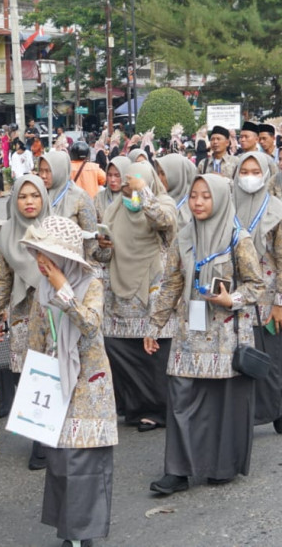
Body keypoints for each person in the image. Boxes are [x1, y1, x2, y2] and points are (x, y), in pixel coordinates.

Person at [146, 174, 265, 495]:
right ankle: (178, 471)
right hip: (189, 331)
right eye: (194, 195)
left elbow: (256, 285)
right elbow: (171, 282)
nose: (198, 202)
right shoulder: (184, 237)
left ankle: (221, 465)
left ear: (221, 199)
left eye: (205, 196)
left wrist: (232, 299)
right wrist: (154, 325)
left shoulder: (238, 239)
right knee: (181, 397)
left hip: (226, 335)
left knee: (222, 403)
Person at [21, 216, 116, 547]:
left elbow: (90, 325)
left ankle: (84, 533)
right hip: (55, 383)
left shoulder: (92, 283)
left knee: (86, 459)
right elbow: (37, 335)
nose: (41, 262)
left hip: (89, 382)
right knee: (61, 461)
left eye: (47, 255)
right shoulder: (42, 289)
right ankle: (70, 532)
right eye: (38, 254)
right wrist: (31, 380)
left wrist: (64, 289)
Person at [98, 161, 177, 434]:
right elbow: (102, 256)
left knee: (152, 354)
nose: (130, 196)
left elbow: (164, 222)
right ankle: (133, 406)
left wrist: (144, 193)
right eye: (128, 190)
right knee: (119, 348)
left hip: (151, 285)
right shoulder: (113, 208)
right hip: (119, 289)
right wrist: (102, 246)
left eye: (134, 188)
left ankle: (156, 410)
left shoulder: (164, 202)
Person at [0, 175, 49, 467]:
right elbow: (3, 282)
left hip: (55, 311)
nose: (29, 202)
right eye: (23, 196)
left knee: (55, 373)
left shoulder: (56, 227)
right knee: (29, 375)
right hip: (23, 314)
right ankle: (40, 439)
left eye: (35, 195)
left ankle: (51, 440)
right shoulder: (5, 235)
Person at [232, 152, 282, 432]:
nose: (249, 176)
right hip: (234, 296)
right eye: (243, 171)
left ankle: (276, 407)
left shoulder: (277, 210)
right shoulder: (226, 205)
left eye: (255, 171)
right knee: (239, 361)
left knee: (269, 360)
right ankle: (244, 417)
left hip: (267, 297)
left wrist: (280, 302)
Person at [37, 151, 100, 264]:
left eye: (48, 171)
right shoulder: (37, 194)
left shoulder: (79, 197)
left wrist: (92, 269)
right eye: (41, 170)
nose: (43, 176)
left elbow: (90, 239)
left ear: (60, 171)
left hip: (71, 264)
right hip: (41, 262)